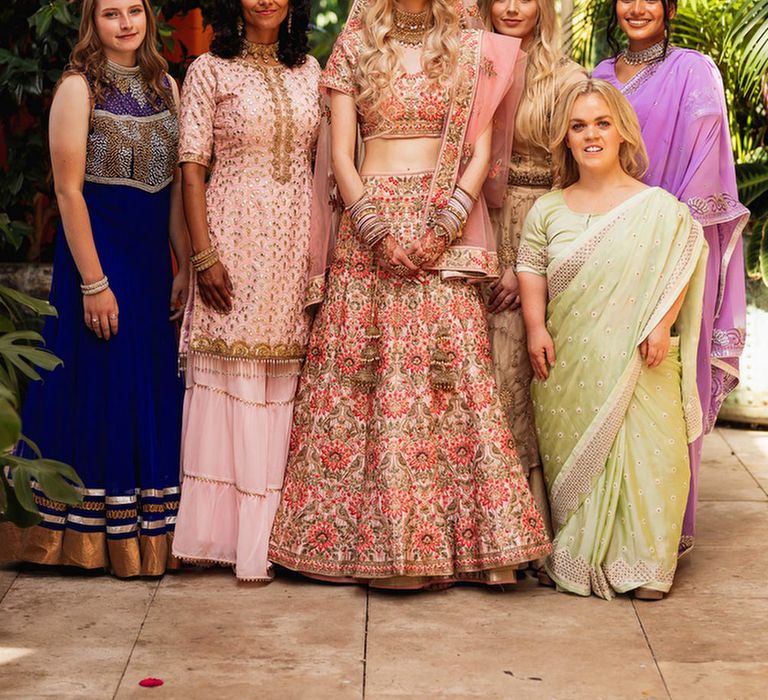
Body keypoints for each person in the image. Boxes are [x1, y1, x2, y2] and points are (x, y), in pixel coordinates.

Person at [268, 0, 552, 589]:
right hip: (368, 228)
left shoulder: (472, 44)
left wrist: (446, 223)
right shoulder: (354, 45)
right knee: (367, 385)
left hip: (441, 220)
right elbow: (342, 156)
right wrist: (373, 228)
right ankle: (366, 546)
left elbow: (480, 148)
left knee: (451, 383)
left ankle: (475, 547)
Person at [0, 0, 188, 577]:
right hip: (99, 262)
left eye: (135, 10)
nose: (126, 22)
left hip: (154, 262)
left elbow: (178, 188)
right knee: (100, 384)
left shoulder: (167, 86)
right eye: (111, 13)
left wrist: (182, 264)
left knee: (149, 388)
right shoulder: (79, 88)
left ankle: (149, 537)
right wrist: (94, 283)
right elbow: (68, 192)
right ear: (92, 22)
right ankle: (73, 538)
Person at [517, 78, 708, 600]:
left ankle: (646, 566)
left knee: (653, 455)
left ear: (622, 131)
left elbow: (683, 263)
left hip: (642, 357)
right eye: (579, 126)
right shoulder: (548, 209)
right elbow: (530, 268)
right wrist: (535, 327)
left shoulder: (659, 207)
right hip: (570, 360)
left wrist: (660, 324)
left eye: (602, 123)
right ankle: (580, 554)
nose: (591, 135)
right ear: (565, 139)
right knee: (576, 455)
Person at [592, 0, 749, 555]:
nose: (636, 7)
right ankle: (607, 530)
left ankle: (661, 534)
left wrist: (661, 241)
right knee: (607, 386)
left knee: (665, 385)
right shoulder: (599, 78)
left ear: (670, 7)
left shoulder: (694, 72)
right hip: (606, 252)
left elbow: (706, 165)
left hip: (674, 252)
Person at [171, 0, 320, 582]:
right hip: (230, 229)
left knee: (283, 371)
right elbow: (191, 168)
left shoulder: (311, 69)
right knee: (232, 372)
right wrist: (202, 254)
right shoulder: (208, 69)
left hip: (293, 236)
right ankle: (228, 537)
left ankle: (279, 537)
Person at [477, 0, 585, 580]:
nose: (512, 6)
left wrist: (527, 265)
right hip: (467, 225)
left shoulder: (566, 78)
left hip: (538, 226)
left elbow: (572, 179)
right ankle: (471, 536)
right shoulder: (465, 61)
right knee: (469, 378)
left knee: (515, 375)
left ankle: (516, 543)